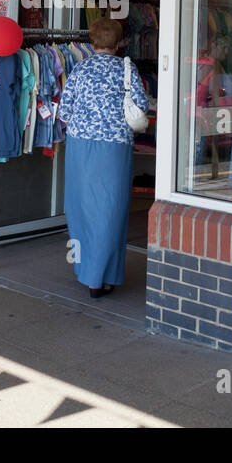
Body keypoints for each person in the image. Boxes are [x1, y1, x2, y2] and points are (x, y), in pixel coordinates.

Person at [58, 17, 150, 298]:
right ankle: (104, 275)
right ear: (119, 41)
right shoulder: (127, 69)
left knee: (81, 206)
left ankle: (88, 273)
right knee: (111, 208)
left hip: (80, 144)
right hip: (114, 145)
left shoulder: (81, 68)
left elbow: (64, 110)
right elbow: (141, 106)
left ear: (92, 41)